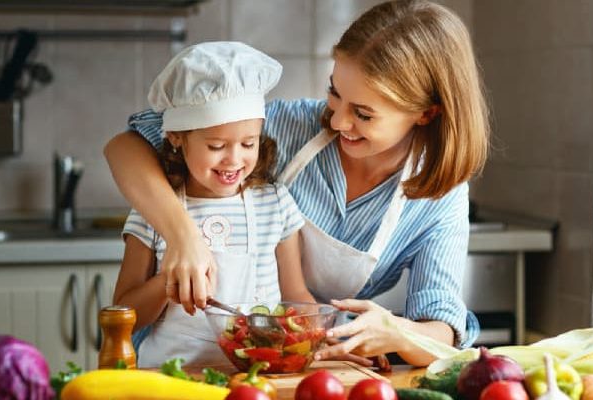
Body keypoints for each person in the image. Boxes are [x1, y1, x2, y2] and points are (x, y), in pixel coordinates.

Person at [106, 0, 489, 367]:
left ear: (425, 114)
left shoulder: (440, 195)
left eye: (363, 114)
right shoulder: (286, 127)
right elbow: (126, 145)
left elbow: (442, 327)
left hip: (303, 359)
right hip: (169, 360)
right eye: (335, 94)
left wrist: (398, 332)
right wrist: (183, 237)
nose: (337, 122)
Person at [112, 41, 315, 367]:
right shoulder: (154, 212)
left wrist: (321, 336)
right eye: (217, 145)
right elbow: (125, 316)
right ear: (177, 138)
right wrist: (168, 283)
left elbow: (296, 297)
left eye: (248, 143)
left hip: (253, 380)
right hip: (169, 379)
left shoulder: (274, 204)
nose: (234, 159)